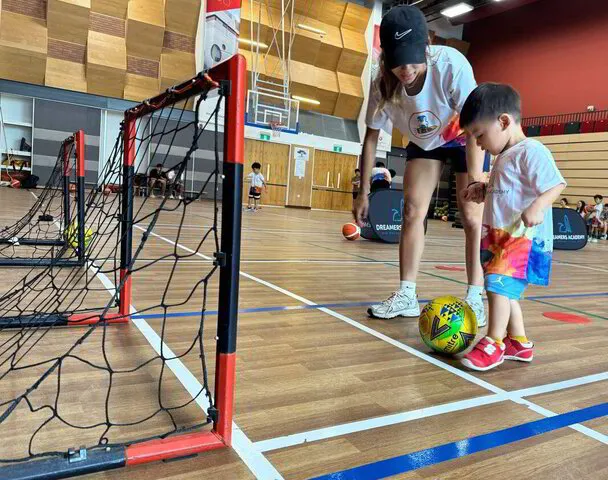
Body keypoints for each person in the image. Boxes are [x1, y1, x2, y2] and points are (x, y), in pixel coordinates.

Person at [353, 5, 488, 326]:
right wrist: (363, 192)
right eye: (398, 62)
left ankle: (475, 296)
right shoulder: (381, 84)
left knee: (471, 216)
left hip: (463, 136)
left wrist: (476, 179)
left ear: (426, 45)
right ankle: (407, 294)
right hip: (424, 143)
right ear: (386, 56)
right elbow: (371, 137)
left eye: (413, 59)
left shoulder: (452, 65)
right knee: (413, 211)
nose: (407, 69)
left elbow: (474, 129)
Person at [459, 83, 566, 371]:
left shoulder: (531, 150)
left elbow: (556, 183)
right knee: (504, 291)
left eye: (480, 135)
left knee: (496, 287)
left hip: (521, 238)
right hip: (499, 236)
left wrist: (538, 206)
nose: (478, 144)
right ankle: (518, 342)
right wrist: (483, 189)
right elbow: (508, 190)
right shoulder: (502, 156)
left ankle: (494, 342)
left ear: (504, 121)